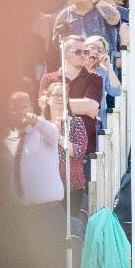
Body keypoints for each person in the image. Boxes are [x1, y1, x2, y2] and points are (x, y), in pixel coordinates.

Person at [38, 35, 103, 168]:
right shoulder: (48, 79)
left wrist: (55, 102)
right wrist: (81, 105)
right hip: (51, 152)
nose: (83, 55)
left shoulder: (95, 78)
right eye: (78, 52)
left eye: (85, 51)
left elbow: (91, 108)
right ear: (66, 55)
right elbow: (44, 106)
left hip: (84, 153)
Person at [6, 92, 64, 224]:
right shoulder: (7, 139)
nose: (18, 112)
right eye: (14, 109)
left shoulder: (43, 133)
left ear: (31, 109)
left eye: (23, 107)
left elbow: (54, 134)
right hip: (19, 216)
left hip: (48, 215)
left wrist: (36, 121)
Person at [42, 82, 88, 225]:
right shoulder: (40, 124)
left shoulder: (76, 123)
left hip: (71, 183)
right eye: (56, 95)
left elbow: (78, 151)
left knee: (70, 224)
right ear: (48, 98)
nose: (60, 98)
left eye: (64, 96)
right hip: (45, 183)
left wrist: (58, 136)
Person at [52, 0, 122, 53]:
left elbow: (116, 20)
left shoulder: (103, 8)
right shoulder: (64, 15)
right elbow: (57, 44)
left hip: (104, 62)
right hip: (77, 63)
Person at [83, 35, 121, 133]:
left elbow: (116, 91)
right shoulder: (75, 67)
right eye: (93, 47)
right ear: (85, 47)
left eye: (100, 51)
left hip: (97, 123)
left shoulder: (102, 72)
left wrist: (108, 67)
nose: (96, 52)